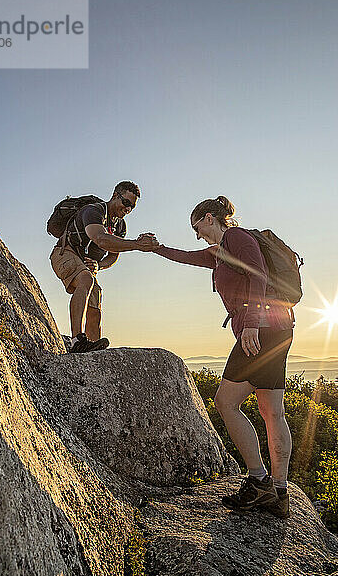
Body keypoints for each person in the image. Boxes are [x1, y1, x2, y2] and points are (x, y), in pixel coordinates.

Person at [149, 195, 294, 519]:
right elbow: (184, 256)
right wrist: (154, 247)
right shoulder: (219, 253)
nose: (196, 233)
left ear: (210, 217)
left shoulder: (235, 238)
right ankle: (278, 494)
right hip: (278, 327)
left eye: (196, 225)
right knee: (272, 411)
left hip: (263, 327)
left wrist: (252, 324)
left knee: (225, 403)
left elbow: (258, 275)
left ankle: (258, 481)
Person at [50, 181, 158, 353]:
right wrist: (137, 244)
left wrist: (98, 266)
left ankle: (93, 348)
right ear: (115, 196)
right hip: (65, 253)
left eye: (132, 207)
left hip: (86, 265)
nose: (128, 209)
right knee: (86, 279)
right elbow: (100, 238)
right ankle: (77, 340)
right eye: (126, 203)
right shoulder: (94, 211)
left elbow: (113, 256)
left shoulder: (120, 226)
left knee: (95, 300)